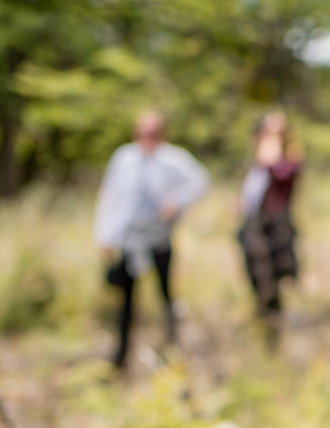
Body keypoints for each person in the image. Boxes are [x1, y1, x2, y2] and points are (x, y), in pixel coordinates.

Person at [94, 109, 209, 370]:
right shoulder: (124, 158)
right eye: (142, 132)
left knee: (165, 295)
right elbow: (109, 196)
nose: (147, 138)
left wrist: (176, 202)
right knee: (125, 300)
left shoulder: (174, 159)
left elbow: (201, 182)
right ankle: (121, 355)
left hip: (159, 239)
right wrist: (104, 234)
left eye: (153, 133)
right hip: (128, 239)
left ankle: (172, 349)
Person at [236, 110, 302, 345]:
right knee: (257, 280)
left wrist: (272, 145)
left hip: (273, 233)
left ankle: (272, 335)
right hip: (254, 230)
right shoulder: (255, 164)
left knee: (271, 284)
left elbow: (278, 169)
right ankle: (263, 327)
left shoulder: (286, 161)